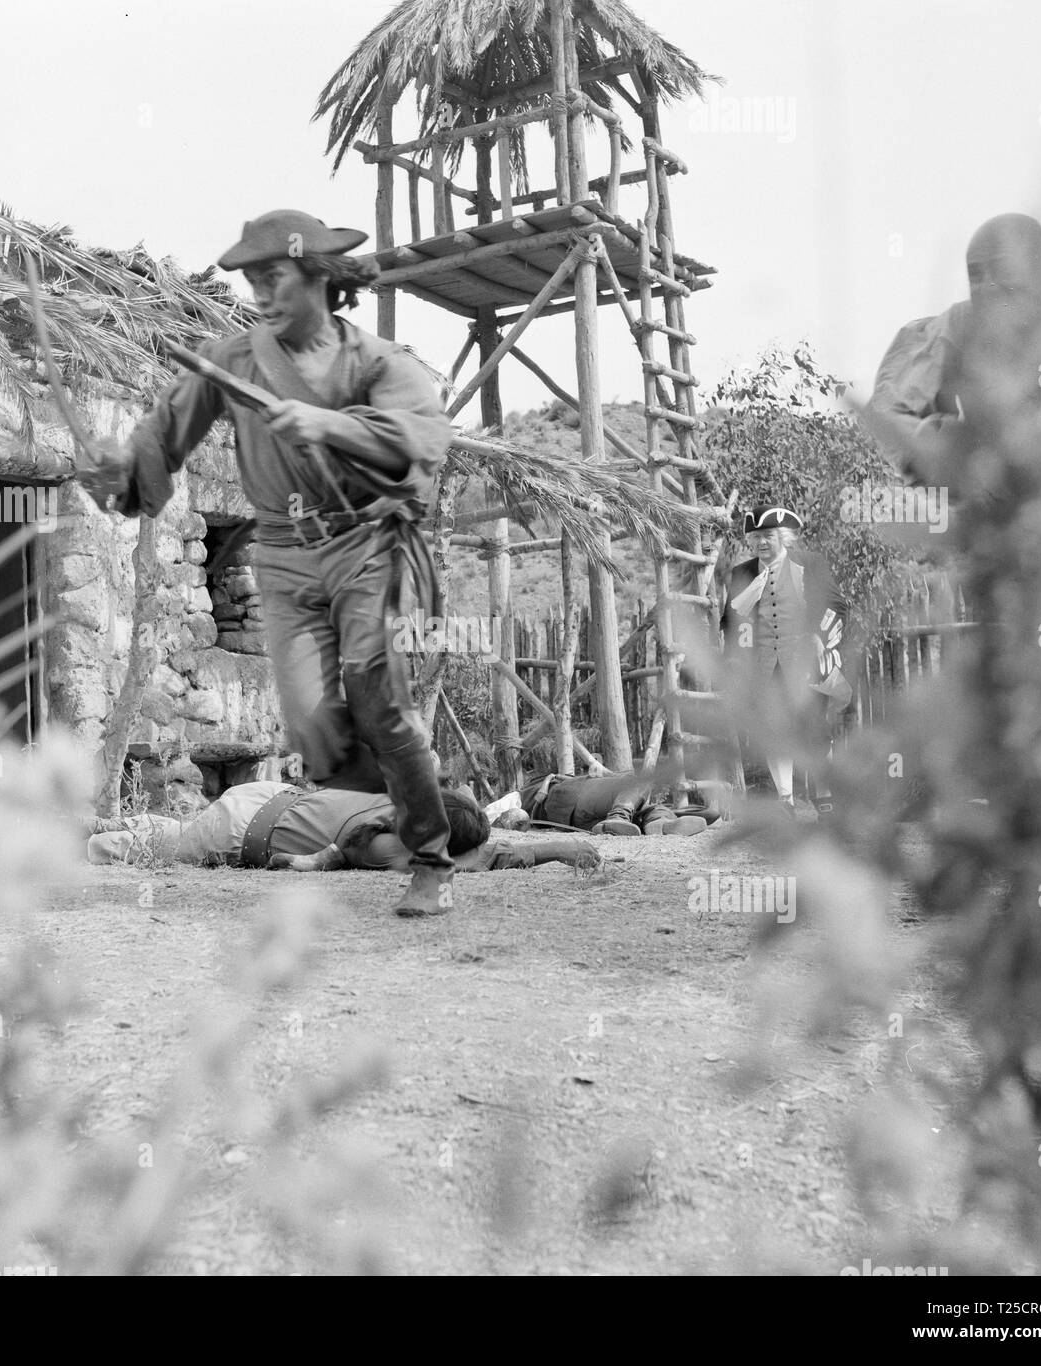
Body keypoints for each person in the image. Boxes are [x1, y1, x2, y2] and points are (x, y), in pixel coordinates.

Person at [78, 210, 457, 918]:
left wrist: (331, 424)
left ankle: (431, 855)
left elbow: (424, 440)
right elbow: (162, 440)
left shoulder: (379, 363)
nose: (259, 291)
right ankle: (385, 812)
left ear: (319, 276)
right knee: (315, 728)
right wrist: (121, 476)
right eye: (251, 279)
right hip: (282, 554)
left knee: (377, 697)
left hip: (363, 546)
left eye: (273, 275)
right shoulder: (232, 360)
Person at [869, 213, 1041, 484]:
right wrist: (938, 443)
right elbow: (889, 416)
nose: (988, 288)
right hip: (990, 503)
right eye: (975, 275)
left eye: (1004, 271)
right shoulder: (956, 326)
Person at [87, 780, 599, 874]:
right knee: (162, 845)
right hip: (241, 831)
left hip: (269, 793)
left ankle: (117, 819)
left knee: (181, 829)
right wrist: (553, 849)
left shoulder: (394, 799)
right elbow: (474, 860)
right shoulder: (381, 848)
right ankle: (94, 839)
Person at [720, 505, 850, 815]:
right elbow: (732, 623)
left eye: (767, 537)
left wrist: (819, 635)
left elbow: (837, 604)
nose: (761, 544)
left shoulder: (810, 565)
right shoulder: (743, 573)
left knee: (816, 730)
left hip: (806, 664)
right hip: (765, 667)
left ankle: (824, 795)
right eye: (756, 538)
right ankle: (785, 801)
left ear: (784, 538)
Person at [514, 769, 721, 837]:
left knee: (640, 813)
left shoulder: (519, 798)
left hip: (575, 820)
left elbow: (494, 816)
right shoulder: (521, 794)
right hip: (568, 796)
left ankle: (658, 822)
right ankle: (624, 816)